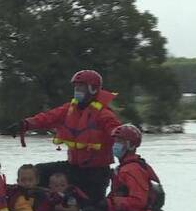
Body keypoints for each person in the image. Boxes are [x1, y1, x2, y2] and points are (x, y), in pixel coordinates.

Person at [9, 70, 121, 203]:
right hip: (73, 167)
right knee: (39, 171)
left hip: (96, 173)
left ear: (93, 89)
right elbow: (47, 118)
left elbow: (118, 134)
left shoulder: (105, 115)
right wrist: (25, 124)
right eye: (76, 87)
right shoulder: (69, 109)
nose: (77, 90)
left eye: (81, 86)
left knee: (92, 205)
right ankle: (34, 204)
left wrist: (127, 153)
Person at [81, 124, 168, 211]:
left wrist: (111, 203)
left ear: (130, 145)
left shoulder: (131, 170)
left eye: (120, 141)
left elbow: (139, 201)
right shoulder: (126, 167)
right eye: (115, 141)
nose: (115, 145)